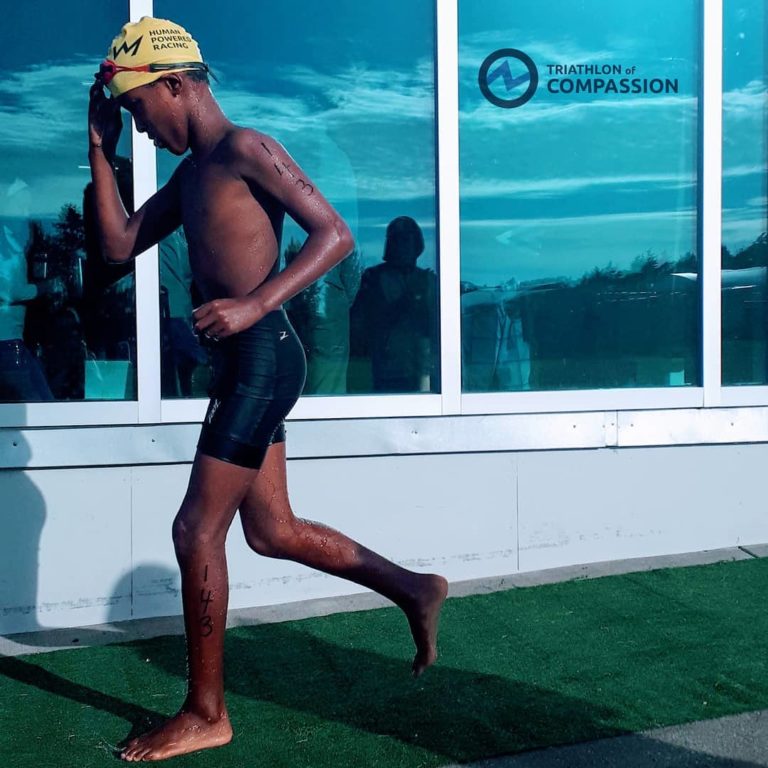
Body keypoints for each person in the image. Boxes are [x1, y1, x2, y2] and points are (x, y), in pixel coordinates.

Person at [87, 17, 448, 762]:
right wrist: (99, 147)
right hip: (243, 365)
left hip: (263, 356)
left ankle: (206, 712)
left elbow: (335, 234)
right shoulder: (194, 175)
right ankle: (414, 588)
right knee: (272, 531)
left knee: (196, 532)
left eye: (137, 110)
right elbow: (119, 246)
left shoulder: (245, 148)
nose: (141, 130)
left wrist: (254, 303)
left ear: (175, 85)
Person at [351, 216, 438, 392]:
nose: (403, 246)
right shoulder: (373, 278)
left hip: (423, 368)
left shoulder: (429, 280)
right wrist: (408, 298)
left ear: (417, 245)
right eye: (397, 240)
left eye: (407, 240)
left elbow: (436, 326)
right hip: (385, 369)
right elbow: (365, 325)